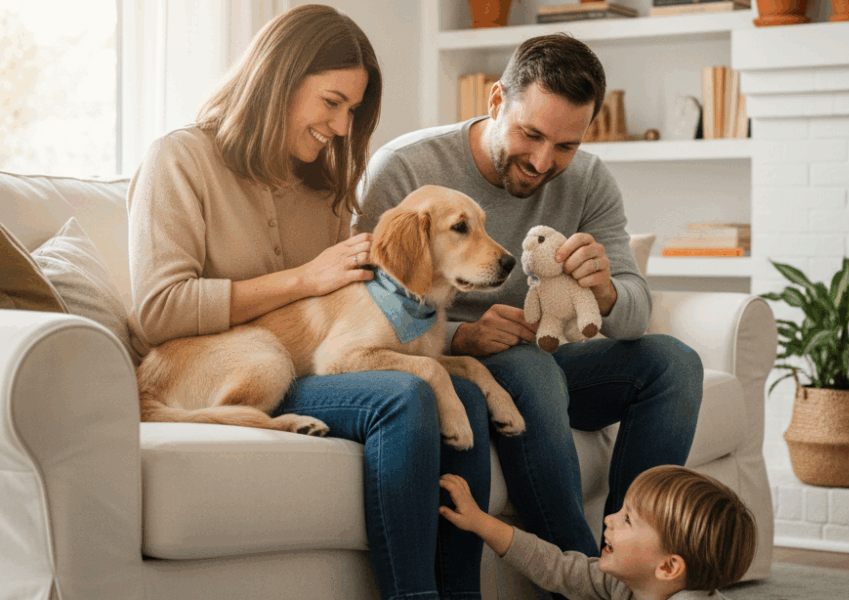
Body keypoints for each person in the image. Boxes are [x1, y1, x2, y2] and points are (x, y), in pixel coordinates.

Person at [127, 5, 492, 600]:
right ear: (278, 79)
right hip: (201, 371)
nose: (343, 128)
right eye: (332, 102)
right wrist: (301, 280)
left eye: (352, 111)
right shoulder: (180, 160)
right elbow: (159, 310)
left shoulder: (324, 186)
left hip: (305, 364)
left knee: (465, 396)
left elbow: (344, 316)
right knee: (404, 394)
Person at [356, 32, 705, 580]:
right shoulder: (405, 168)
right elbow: (364, 304)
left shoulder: (588, 180)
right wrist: (458, 339)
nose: (544, 161)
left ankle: (636, 563)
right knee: (530, 367)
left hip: (547, 357)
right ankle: (586, 580)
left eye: (565, 145)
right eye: (531, 134)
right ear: (496, 102)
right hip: (464, 361)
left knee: (674, 364)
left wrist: (607, 287)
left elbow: (635, 313)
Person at [439, 465, 756, 600]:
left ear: (668, 567)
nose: (609, 520)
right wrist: (481, 521)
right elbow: (556, 567)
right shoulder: (624, 583)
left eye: (628, 520)